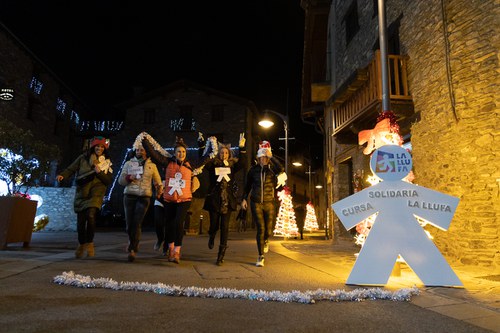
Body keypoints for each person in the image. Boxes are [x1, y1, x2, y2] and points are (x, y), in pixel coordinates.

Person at [142, 134, 197, 264]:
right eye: (179, 151)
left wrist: (211, 145)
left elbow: (205, 159)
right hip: (169, 198)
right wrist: (144, 140)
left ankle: (177, 250)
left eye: (183, 152)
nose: (181, 154)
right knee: (170, 224)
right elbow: (154, 154)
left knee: (178, 223)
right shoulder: (167, 162)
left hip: (184, 199)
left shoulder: (190, 165)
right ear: (174, 153)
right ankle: (171, 249)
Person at [56, 136, 113, 259]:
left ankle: (90, 243)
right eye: (97, 146)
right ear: (93, 147)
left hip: (97, 192)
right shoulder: (83, 158)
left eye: (102, 147)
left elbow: (108, 180)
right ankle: (82, 244)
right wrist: (63, 175)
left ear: (105, 149)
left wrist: (100, 172)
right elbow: (71, 168)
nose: (99, 148)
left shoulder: (107, 162)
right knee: (81, 222)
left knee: (91, 215)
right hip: (82, 191)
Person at [202, 133, 246, 265]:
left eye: (226, 153)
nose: (224, 155)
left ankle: (220, 256)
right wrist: (203, 147)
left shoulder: (232, 166)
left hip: (227, 200)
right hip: (215, 199)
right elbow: (203, 161)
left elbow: (243, 163)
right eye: (221, 153)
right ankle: (212, 234)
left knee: (225, 227)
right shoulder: (213, 165)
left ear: (229, 155)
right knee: (214, 224)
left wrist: (242, 148)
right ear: (218, 154)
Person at [241, 141, 285, 267]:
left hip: (269, 203)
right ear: (258, 158)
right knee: (261, 229)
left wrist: (272, 157)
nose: (263, 159)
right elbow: (247, 186)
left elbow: (281, 169)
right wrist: (244, 199)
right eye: (261, 157)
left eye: (265, 157)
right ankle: (260, 256)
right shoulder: (253, 170)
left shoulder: (272, 170)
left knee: (268, 231)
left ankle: (266, 239)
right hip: (256, 203)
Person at [118, 141, 163, 262]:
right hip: (129, 196)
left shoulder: (152, 166)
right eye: (137, 150)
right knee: (129, 225)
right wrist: (128, 178)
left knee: (137, 223)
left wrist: (159, 188)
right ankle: (132, 241)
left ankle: (132, 250)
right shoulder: (128, 164)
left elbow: (158, 181)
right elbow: (120, 181)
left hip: (144, 197)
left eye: (141, 150)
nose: (139, 152)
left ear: (146, 151)